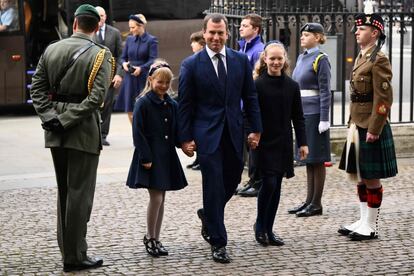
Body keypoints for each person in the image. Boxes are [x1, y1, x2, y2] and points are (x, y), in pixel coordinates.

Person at [29, 4, 114, 272]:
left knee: (64, 193)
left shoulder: (52, 49)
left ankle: (67, 251)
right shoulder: (101, 54)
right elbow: (97, 99)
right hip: (82, 131)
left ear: (75, 23)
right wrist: (66, 119)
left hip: (55, 131)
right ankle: (75, 256)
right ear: (97, 26)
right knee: (79, 195)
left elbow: (37, 89)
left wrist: (51, 118)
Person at [178, 13, 262, 263]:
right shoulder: (191, 65)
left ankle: (208, 213)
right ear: (204, 33)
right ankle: (218, 241)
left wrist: (255, 129)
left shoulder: (239, 61)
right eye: (211, 32)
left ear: (227, 34)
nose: (216, 37)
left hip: (234, 133)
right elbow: (185, 104)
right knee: (212, 184)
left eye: (220, 33)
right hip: (207, 136)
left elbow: (251, 98)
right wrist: (185, 138)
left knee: (233, 178)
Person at [338, 12, 397, 241]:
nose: (356, 31)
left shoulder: (379, 58)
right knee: (360, 175)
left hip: (370, 126)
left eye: (361, 29)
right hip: (357, 123)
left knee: (371, 177)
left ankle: (371, 226)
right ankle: (362, 220)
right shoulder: (363, 56)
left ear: (375, 33)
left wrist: (375, 128)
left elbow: (383, 99)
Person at [126, 61, 187, 257]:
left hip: (166, 156)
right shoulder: (143, 103)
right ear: (150, 80)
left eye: (167, 82)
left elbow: (177, 131)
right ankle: (150, 237)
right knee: (157, 198)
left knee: (162, 199)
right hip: (151, 156)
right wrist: (145, 157)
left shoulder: (172, 103)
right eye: (160, 81)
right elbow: (138, 134)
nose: (163, 85)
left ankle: (156, 238)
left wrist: (185, 145)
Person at [253, 41, 308, 246]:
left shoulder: (292, 86)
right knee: (269, 183)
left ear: (284, 59)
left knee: (277, 188)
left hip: (283, 142)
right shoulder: (257, 84)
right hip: (264, 142)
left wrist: (303, 143)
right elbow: (250, 113)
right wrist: (251, 135)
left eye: (279, 58)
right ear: (265, 59)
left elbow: (298, 117)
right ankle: (260, 225)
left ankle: (269, 228)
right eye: (272, 58)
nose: (276, 62)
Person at [289, 22, 332, 217]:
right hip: (303, 112)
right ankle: (308, 200)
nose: (302, 37)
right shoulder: (301, 57)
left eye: (307, 34)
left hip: (315, 114)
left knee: (317, 160)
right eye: (302, 34)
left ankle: (316, 203)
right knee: (308, 159)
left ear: (318, 37)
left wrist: (324, 118)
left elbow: (325, 91)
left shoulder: (321, 59)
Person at [237, 13, 265, 197]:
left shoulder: (258, 50)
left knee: (254, 145)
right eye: (241, 25)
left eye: (245, 25)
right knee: (247, 145)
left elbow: (255, 79)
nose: (240, 28)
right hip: (241, 103)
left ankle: (258, 181)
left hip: (251, 103)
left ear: (256, 29)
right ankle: (252, 179)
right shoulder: (242, 49)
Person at [114, 13, 158, 124]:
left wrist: (141, 68)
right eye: (130, 27)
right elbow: (123, 57)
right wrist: (124, 64)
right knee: (130, 108)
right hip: (130, 77)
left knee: (145, 107)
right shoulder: (129, 40)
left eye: (133, 27)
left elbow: (153, 60)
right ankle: (136, 133)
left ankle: (145, 133)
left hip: (144, 77)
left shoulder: (151, 40)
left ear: (141, 26)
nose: (130, 30)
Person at [94, 6, 123, 146]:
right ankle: (94, 133)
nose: (100, 18)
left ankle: (103, 135)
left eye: (102, 15)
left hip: (111, 77)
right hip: (93, 77)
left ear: (105, 17)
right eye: (98, 15)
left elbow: (121, 55)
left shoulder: (115, 32)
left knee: (107, 107)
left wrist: (119, 74)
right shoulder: (89, 31)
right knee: (94, 106)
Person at [185, 31, 206, 171]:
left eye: (194, 42)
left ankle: (201, 159)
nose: (192, 44)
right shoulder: (193, 59)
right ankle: (198, 159)